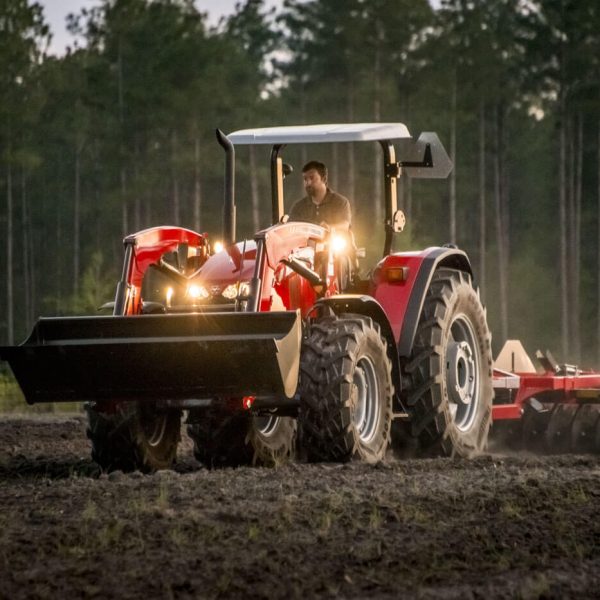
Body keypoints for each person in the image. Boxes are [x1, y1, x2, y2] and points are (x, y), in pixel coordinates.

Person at [288, 161, 351, 230]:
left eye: (312, 178)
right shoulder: (298, 207)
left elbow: (345, 225)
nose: (308, 183)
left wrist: (330, 228)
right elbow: (291, 229)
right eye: (305, 179)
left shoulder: (340, 202)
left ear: (324, 179)